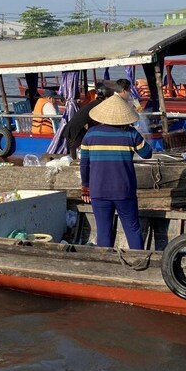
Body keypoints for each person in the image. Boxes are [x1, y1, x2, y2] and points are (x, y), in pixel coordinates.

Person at [80, 94, 153, 249]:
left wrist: (85, 187)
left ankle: (106, 266)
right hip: (124, 190)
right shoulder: (131, 134)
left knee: (103, 230)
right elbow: (147, 153)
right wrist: (137, 135)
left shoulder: (90, 134)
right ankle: (138, 264)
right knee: (132, 228)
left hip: (98, 190)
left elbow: (84, 164)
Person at [62, 83, 112, 158]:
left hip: (72, 128)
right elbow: (97, 121)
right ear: (107, 97)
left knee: (77, 150)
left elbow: (93, 121)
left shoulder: (95, 103)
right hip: (75, 130)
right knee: (76, 150)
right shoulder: (99, 105)